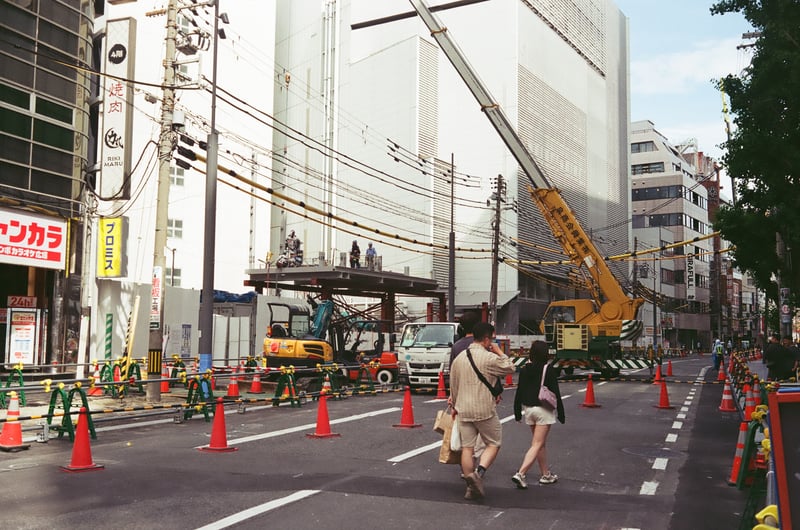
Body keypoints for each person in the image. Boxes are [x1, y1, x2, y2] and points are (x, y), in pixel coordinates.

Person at [449, 322, 516, 501]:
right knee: (494, 442)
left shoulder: (460, 358)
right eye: (491, 339)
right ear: (486, 339)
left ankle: (470, 487)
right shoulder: (488, 357)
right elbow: (510, 367)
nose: (492, 342)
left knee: (467, 448)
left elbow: (453, 386)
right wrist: (499, 351)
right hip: (484, 409)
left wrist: (454, 405)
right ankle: (478, 474)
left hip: (463, 408)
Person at [511, 340, 565, 489]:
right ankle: (521, 473)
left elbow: (519, 391)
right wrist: (561, 412)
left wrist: (517, 412)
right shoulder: (548, 369)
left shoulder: (524, 369)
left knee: (540, 443)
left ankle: (546, 475)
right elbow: (556, 392)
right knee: (537, 444)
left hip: (528, 410)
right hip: (543, 410)